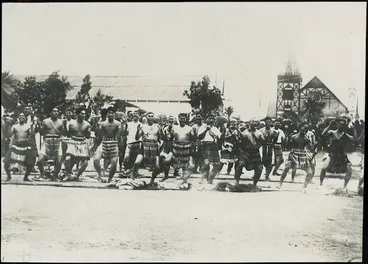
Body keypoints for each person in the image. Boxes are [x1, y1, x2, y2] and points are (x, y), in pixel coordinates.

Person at [278, 123, 317, 192]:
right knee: (286, 168)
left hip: (302, 155)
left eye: (306, 129)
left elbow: (311, 148)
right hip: (294, 154)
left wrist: (315, 148)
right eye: (303, 128)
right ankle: (280, 183)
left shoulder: (306, 139)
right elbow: (288, 146)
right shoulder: (294, 137)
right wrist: (287, 139)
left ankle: (304, 187)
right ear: (300, 128)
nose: (304, 130)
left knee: (310, 173)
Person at [319, 119, 357, 189]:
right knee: (324, 167)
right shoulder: (332, 133)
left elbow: (354, 139)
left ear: (345, 126)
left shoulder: (345, 135)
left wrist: (354, 129)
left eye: (343, 125)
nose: (341, 126)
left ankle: (344, 187)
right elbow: (323, 134)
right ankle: (321, 183)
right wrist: (329, 126)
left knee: (349, 170)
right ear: (338, 125)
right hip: (332, 154)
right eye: (340, 124)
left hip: (342, 155)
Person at [3, 112, 38, 181]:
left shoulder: (28, 126)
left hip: (26, 145)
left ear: (25, 118)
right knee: (6, 162)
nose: (21, 117)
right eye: (20, 116)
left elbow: (32, 136)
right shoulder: (14, 126)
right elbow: (9, 134)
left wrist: (33, 125)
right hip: (16, 145)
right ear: (18, 118)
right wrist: (8, 124)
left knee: (30, 162)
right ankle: (9, 176)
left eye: (23, 116)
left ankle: (26, 177)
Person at [92, 106, 121, 183]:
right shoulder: (103, 123)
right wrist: (97, 125)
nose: (111, 114)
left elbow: (121, 134)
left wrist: (123, 126)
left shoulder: (118, 123)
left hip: (114, 143)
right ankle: (100, 174)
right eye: (109, 113)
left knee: (114, 163)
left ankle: (110, 178)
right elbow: (97, 134)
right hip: (104, 142)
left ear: (114, 114)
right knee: (96, 159)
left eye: (112, 113)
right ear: (107, 114)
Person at [36, 108, 65, 181]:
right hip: (47, 141)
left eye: (57, 111)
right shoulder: (45, 121)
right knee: (39, 161)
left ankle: (55, 176)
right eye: (54, 111)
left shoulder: (61, 122)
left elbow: (63, 133)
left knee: (58, 161)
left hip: (57, 142)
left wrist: (65, 125)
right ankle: (42, 174)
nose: (56, 112)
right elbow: (42, 132)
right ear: (51, 112)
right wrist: (39, 126)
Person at [135, 112, 164, 186]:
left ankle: (152, 181)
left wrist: (161, 130)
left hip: (154, 146)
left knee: (157, 167)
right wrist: (138, 130)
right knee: (137, 162)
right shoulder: (143, 126)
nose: (150, 118)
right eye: (149, 116)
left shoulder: (157, 126)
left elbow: (163, 138)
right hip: (144, 145)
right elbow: (137, 137)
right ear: (146, 117)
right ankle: (132, 178)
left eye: (152, 116)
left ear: (154, 118)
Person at [63, 108, 92, 181]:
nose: (84, 115)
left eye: (84, 114)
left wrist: (88, 131)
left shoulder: (87, 124)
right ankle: (68, 174)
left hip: (83, 142)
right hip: (73, 141)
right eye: (82, 114)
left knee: (85, 163)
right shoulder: (71, 124)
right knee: (67, 159)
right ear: (78, 114)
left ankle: (77, 176)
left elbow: (88, 136)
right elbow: (68, 135)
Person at [168, 113, 196, 184]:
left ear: (186, 119)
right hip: (176, 147)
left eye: (184, 118)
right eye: (181, 118)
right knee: (175, 163)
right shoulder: (174, 127)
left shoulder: (189, 128)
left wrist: (194, 133)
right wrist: (170, 132)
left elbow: (193, 139)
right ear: (178, 119)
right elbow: (171, 138)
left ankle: (184, 181)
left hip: (186, 147)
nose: (182, 120)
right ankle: (170, 175)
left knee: (185, 165)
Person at [235, 119, 264, 187]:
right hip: (246, 152)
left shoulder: (259, 133)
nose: (254, 124)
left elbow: (262, 142)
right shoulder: (244, 132)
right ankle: (237, 182)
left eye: (255, 122)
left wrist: (257, 146)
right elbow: (241, 143)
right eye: (252, 122)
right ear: (249, 124)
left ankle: (254, 184)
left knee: (259, 167)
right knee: (240, 164)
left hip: (255, 152)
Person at [197, 114, 223, 184]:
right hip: (205, 146)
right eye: (209, 118)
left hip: (213, 147)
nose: (211, 120)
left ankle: (210, 180)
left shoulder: (215, 128)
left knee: (217, 165)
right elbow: (199, 137)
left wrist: (224, 128)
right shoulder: (202, 127)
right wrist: (206, 130)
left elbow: (221, 138)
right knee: (205, 163)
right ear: (206, 119)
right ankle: (202, 180)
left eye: (213, 119)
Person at [124, 111, 143, 179]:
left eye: (137, 114)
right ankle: (127, 170)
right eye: (134, 114)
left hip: (138, 142)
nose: (135, 115)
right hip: (129, 142)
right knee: (127, 157)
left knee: (135, 159)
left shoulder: (142, 124)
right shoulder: (128, 124)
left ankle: (134, 173)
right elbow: (125, 132)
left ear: (139, 116)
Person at [259, 117, 278, 181]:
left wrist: (272, 144)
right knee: (261, 161)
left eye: (269, 122)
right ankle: (257, 174)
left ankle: (267, 175)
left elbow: (275, 140)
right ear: (265, 123)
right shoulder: (261, 130)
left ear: (271, 123)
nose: (268, 123)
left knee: (270, 162)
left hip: (270, 147)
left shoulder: (274, 131)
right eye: (267, 122)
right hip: (263, 146)